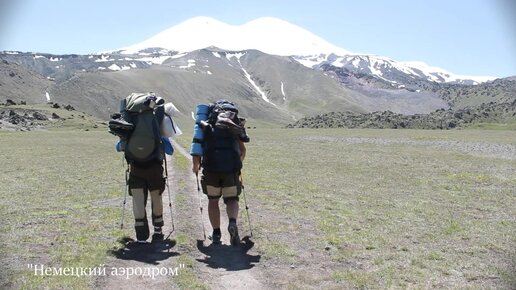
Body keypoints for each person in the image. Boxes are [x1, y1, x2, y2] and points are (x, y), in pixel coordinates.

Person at [112, 94, 181, 243]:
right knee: (156, 197)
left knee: (138, 200)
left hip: (136, 168)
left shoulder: (131, 124)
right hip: (155, 169)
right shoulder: (155, 123)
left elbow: (119, 147)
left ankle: (141, 234)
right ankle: (158, 229)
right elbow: (169, 151)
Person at [191, 100, 249, 246]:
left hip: (211, 169)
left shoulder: (206, 124)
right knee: (232, 199)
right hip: (231, 170)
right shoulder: (233, 126)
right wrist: (238, 163)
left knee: (213, 201)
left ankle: (216, 234)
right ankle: (232, 222)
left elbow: (197, 148)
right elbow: (243, 150)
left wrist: (195, 166)